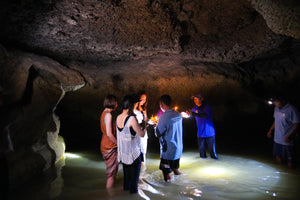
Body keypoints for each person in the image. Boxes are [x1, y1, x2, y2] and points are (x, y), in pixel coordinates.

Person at [116, 95, 147, 193]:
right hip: (133, 154)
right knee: (134, 185)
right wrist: (145, 124)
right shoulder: (131, 119)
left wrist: (140, 125)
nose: (136, 105)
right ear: (131, 105)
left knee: (127, 182)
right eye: (136, 104)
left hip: (124, 154)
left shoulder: (118, 117)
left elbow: (128, 132)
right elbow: (141, 134)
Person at [155, 94, 183, 182]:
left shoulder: (164, 117)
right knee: (176, 169)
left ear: (161, 104)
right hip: (178, 149)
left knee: (167, 174)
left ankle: (169, 192)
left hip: (168, 151)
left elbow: (158, 134)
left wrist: (156, 126)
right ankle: (181, 183)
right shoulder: (178, 115)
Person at [267, 96, 299, 168]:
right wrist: (270, 130)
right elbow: (276, 120)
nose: (275, 103)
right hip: (277, 139)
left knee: (290, 162)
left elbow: (297, 124)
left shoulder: (291, 109)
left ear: (283, 100)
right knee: (278, 157)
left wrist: (290, 136)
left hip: (287, 140)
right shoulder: (276, 108)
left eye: (277, 101)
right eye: (274, 102)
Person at [190, 93, 218, 159]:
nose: (195, 100)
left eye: (196, 99)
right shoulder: (194, 108)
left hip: (209, 133)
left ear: (201, 99)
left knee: (213, 154)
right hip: (200, 134)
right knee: (202, 155)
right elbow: (191, 115)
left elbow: (204, 115)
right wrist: (186, 114)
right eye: (194, 99)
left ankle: (215, 163)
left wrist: (194, 114)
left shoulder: (207, 107)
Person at [100, 94, 119, 189]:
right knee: (111, 175)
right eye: (116, 102)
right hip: (109, 146)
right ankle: (110, 196)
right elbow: (109, 134)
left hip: (106, 145)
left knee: (113, 171)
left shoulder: (104, 113)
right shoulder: (108, 115)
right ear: (113, 103)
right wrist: (118, 144)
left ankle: (111, 193)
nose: (117, 104)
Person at [134, 92, 148, 170]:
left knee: (144, 151)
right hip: (137, 133)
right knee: (138, 152)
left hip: (144, 132)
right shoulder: (134, 109)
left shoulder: (144, 109)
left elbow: (145, 120)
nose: (143, 100)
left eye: (145, 99)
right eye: (142, 98)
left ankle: (143, 172)